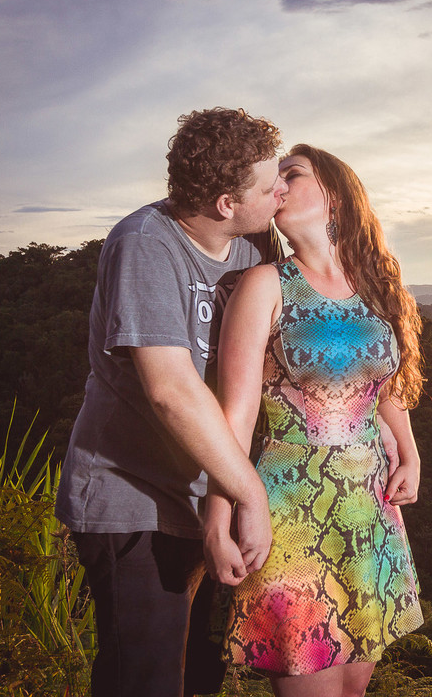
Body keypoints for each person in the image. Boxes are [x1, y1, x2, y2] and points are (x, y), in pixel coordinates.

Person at [55, 107, 288, 697]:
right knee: (148, 678)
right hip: (134, 495)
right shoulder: (145, 245)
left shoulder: (249, 248)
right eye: (269, 185)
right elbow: (172, 391)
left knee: (200, 677)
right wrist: (248, 491)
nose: (281, 189)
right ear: (225, 203)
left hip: (205, 495)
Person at [202, 144, 424, 697]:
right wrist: (217, 518)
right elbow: (236, 416)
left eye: (292, 175)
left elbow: (383, 383)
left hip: (371, 514)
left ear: (335, 195)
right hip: (291, 518)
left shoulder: (374, 285)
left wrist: (412, 452)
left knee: (352, 692)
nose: (277, 186)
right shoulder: (265, 286)